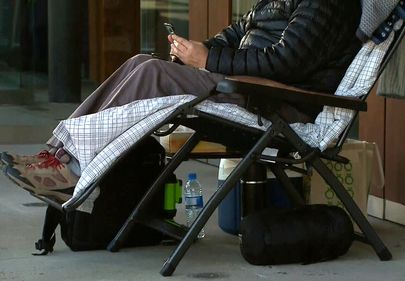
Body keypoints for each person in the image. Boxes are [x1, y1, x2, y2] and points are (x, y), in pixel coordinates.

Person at [1, 0, 362, 199]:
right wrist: (197, 50)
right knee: (141, 62)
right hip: (243, 86)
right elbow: (238, 33)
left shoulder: (327, 3)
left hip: (277, 104)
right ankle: (57, 154)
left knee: (151, 73)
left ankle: (72, 168)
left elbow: (285, 63)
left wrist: (206, 60)